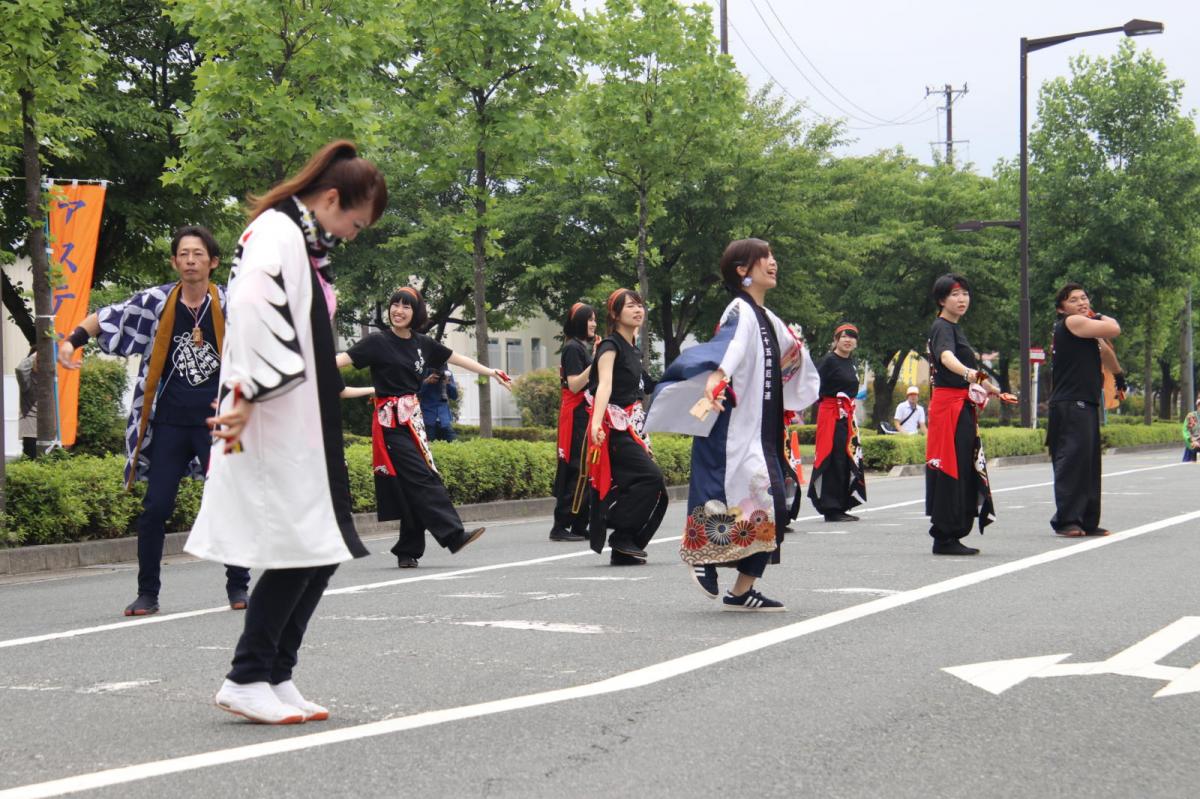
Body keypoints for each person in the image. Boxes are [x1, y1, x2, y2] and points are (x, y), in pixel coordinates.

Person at [185, 140, 386, 724]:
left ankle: (274, 671)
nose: (353, 233)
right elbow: (251, 310)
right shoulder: (275, 233)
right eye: (354, 221)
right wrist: (247, 391)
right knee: (305, 543)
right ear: (329, 199)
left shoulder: (298, 239)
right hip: (272, 414)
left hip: (291, 412)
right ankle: (248, 676)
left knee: (321, 543)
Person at [58, 225, 250, 617]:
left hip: (220, 423)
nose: (191, 260)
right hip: (168, 424)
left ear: (213, 262)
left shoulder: (234, 305)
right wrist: (71, 340)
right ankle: (147, 592)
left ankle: (238, 585)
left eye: (199, 254)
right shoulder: (157, 302)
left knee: (231, 502)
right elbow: (107, 316)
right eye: (184, 254)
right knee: (154, 509)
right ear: (174, 261)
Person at [646, 238, 818, 610]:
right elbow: (732, 346)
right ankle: (703, 557)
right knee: (727, 495)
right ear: (743, 270)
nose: (773, 263)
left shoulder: (768, 318)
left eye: (773, 257)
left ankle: (740, 591)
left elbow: (793, 356)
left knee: (775, 509)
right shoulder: (739, 310)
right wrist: (720, 374)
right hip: (732, 428)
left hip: (761, 431)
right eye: (764, 258)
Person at [336, 286, 509, 568]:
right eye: (394, 304)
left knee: (410, 485)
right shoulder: (377, 343)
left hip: (414, 422)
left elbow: (456, 358)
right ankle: (453, 535)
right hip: (390, 423)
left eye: (406, 306)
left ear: (416, 313)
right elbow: (338, 361)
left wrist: (491, 372)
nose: (398, 310)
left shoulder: (422, 343)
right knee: (422, 477)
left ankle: (408, 550)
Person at [586, 289, 667, 565]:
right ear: (615, 313)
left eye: (640, 305)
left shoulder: (632, 350)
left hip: (633, 426)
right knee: (650, 478)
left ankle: (624, 547)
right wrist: (596, 423)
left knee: (652, 487)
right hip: (614, 428)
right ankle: (619, 533)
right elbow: (604, 385)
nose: (638, 310)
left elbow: (652, 385)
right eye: (630, 306)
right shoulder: (610, 346)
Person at [925, 274, 1004, 556]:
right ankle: (945, 535)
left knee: (964, 466)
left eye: (965, 294)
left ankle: (954, 530)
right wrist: (971, 374)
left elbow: (968, 369)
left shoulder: (956, 329)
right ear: (942, 300)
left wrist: (994, 389)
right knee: (952, 467)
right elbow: (947, 358)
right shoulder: (942, 327)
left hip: (962, 406)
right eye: (955, 294)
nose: (962, 299)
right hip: (950, 409)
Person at [1046, 283, 1121, 536]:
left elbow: (1106, 352)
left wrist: (1119, 376)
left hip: (1086, 402)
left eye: (1084, 298)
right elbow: (1114, 328)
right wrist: (1097, 315)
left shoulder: (1085, 331)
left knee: (1089, 463)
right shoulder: (1072, 324)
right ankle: (1067, 520)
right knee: (1072, 462)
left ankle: (1087, 520)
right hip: (1069, 404)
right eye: (1074, 300)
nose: (1081, 302)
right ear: (1061, 309)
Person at [808, 323, 867, 523]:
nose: (848, 340)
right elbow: (812, 383)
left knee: (845, 457)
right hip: (831, 414)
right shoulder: (829, 361)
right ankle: (830, 507)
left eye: (852, 337)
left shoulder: (851, 362)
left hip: (847, 416)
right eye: (844, 336)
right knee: (832, 458)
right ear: (835, 340)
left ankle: (841, 504)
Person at [549, 302, 596, 542]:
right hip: (576, 412)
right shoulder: (573, 348)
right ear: (578, 321)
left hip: (584, 411)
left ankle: (579, 523)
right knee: (577, 467)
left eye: (595, 320)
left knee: (586, 468)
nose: (594, 324)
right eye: (589, 319)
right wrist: (596, 363)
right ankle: (561, 525)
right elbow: (575, 383)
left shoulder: (580, 347)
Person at [418, 367, 458, 442]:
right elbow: (416, 393)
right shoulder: (423, 371)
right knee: (429, 447)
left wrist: (448, 383)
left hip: (444, 419)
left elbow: (454, 396)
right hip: (428, 417)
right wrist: (427, 381)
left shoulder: (447, 373)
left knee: (455, 444)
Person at [1184, 396, 1200, 462]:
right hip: (1194, 441)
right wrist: (1191, 440)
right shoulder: (1191, 416)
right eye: (1199, 405)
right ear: (1197, 406)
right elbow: (1186, 431)